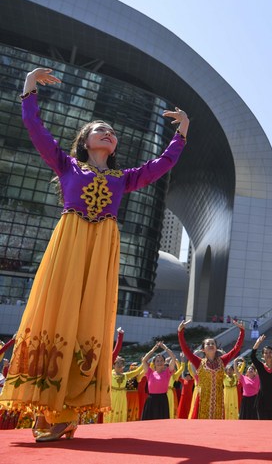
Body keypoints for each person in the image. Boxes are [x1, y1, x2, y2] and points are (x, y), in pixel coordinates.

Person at [0, 68, 188, 442]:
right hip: (69, 241)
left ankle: (66, 410)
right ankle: (48, 404)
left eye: (112, 132)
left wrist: (181, 132)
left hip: (102, 247)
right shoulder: (65, 164)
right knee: (58, 311)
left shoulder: (124, 179)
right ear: (85, 141)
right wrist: (29, 88)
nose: (108, 133)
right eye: (100, 129)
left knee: (87, 319)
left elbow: (161, 166)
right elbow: (36, 130)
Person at [177, 318, 245, 419]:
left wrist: (242, 331)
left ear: (216, 348)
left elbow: (236, 348)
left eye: (212, 343)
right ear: (203, 349)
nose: (210, 345)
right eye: (207, 344)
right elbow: (185, 350)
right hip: (202, 400)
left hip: (218, 399)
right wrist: (180, 332)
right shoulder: (199, 362)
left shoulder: (222, 361)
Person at [140, 342, 178, 420]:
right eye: (157, 361)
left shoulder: (167, 372)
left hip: (162, 399)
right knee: (149, 421)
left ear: (164, 362)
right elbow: (144, 360)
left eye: (161, 360)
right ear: (154, 363)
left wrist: (165, 348)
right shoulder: (150, 373)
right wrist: (153, 349)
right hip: (151, 399)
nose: (159, 362)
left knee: (162, 421)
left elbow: (173, 357)